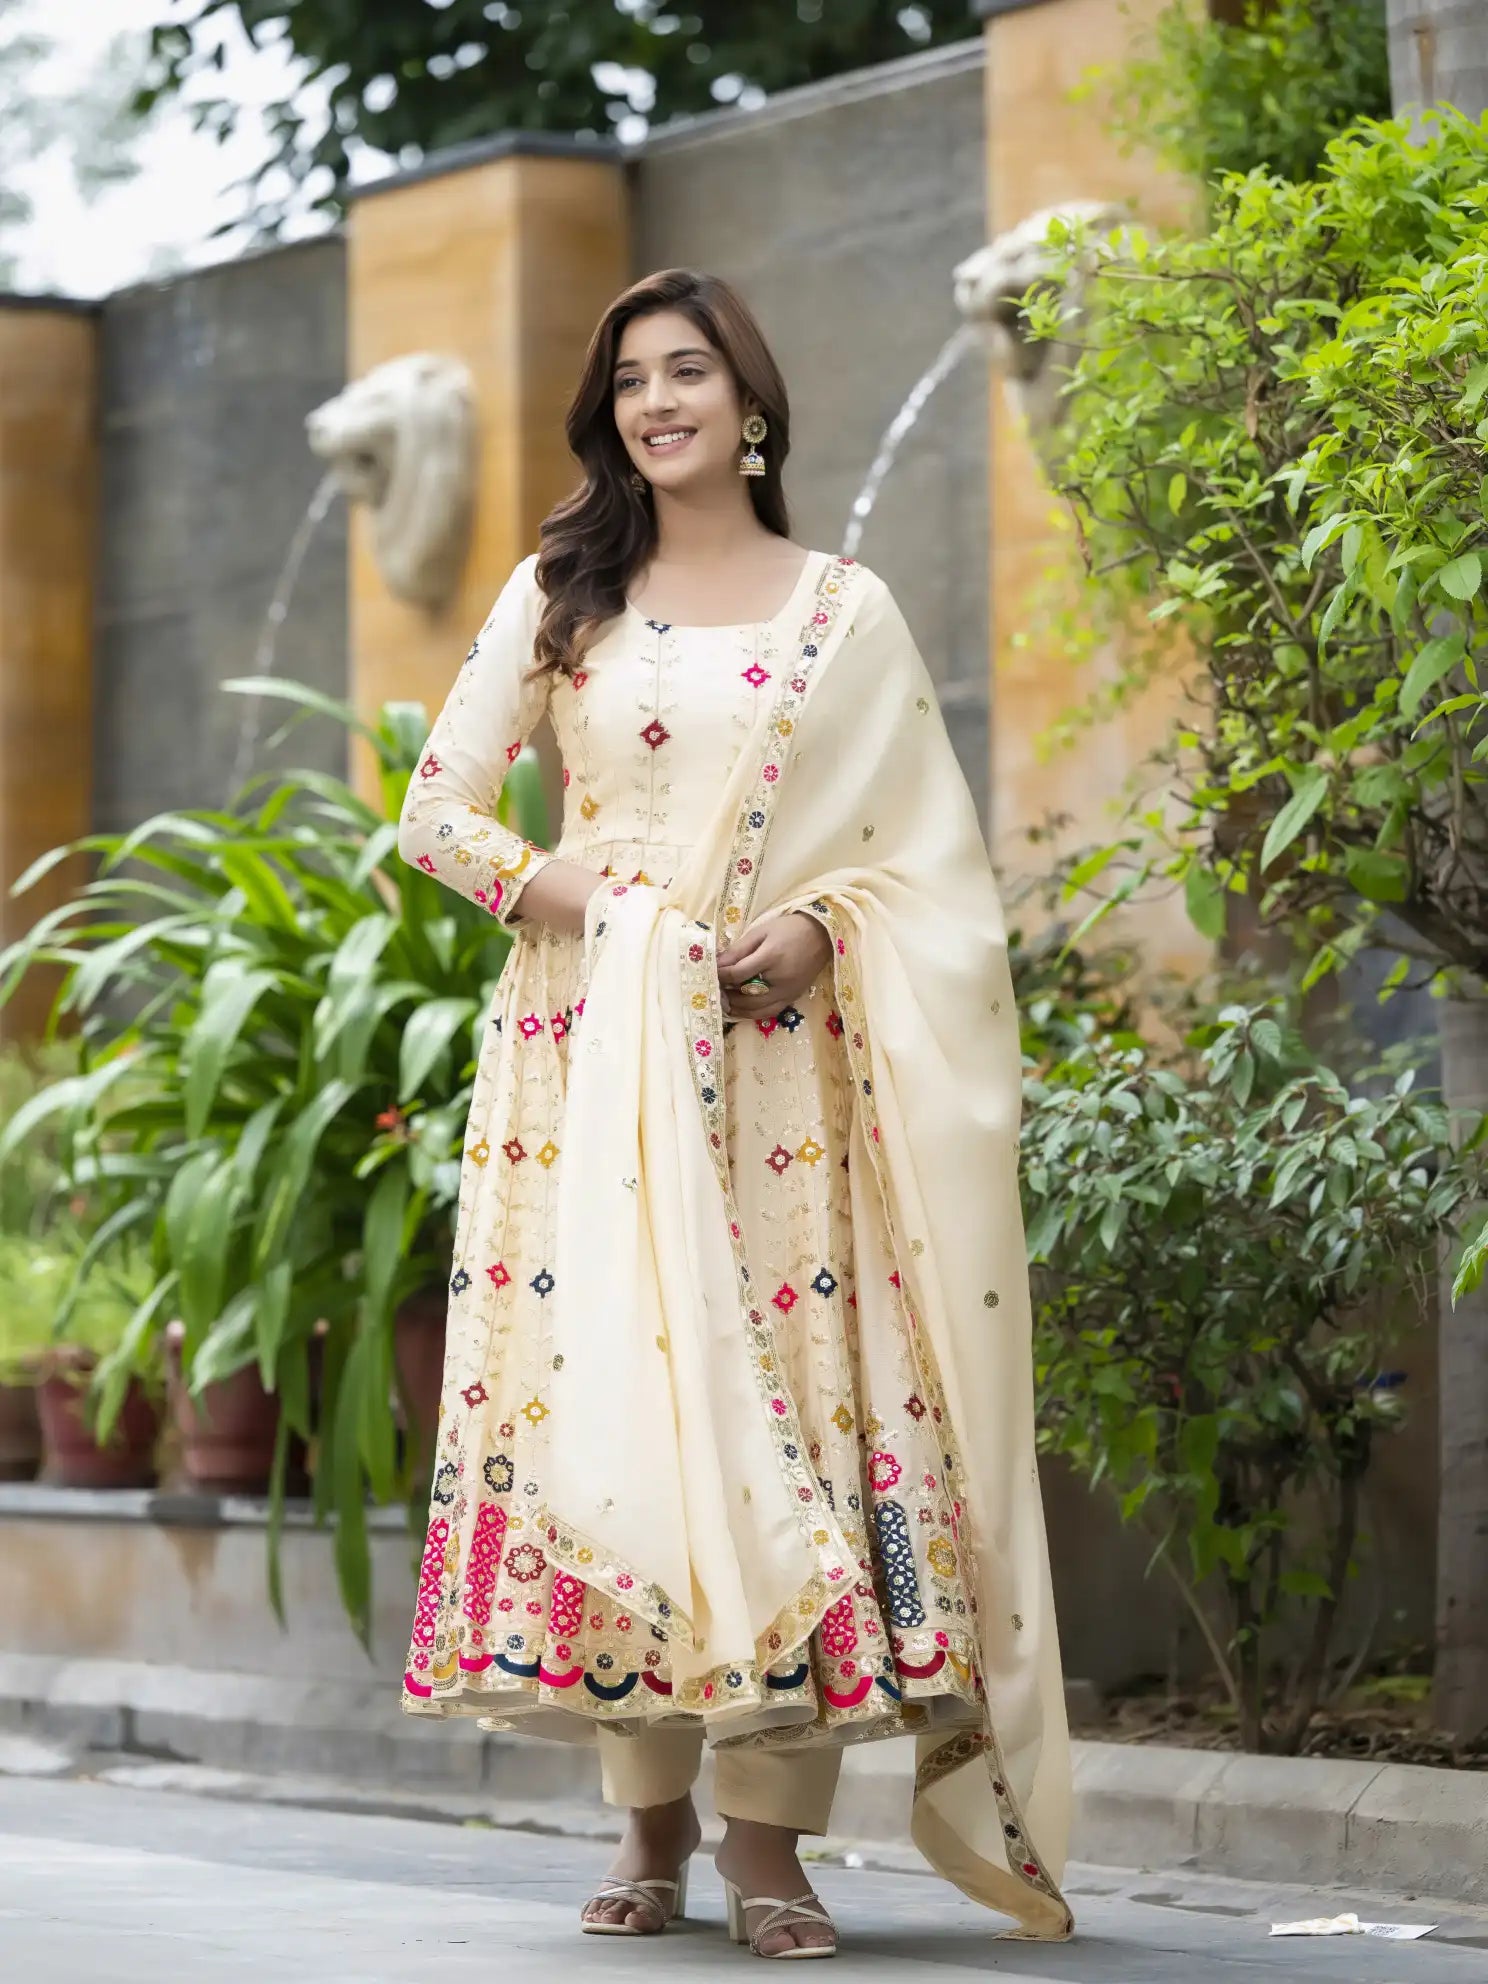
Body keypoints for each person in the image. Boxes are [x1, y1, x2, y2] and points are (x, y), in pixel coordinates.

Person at [396, 267, 1074, 1958]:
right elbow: (440, 814)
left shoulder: (841, 609)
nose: (655, 402)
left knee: (787, 1436)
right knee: (625, 1424)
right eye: (629, 379)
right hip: (590, 1071)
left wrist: (821, 929)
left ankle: (772, 1852)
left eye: (686, 371)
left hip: (781, 1080)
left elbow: (926, 870)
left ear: (750, 401)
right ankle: (650, 1830)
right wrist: (601, 915)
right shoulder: (562, 592)